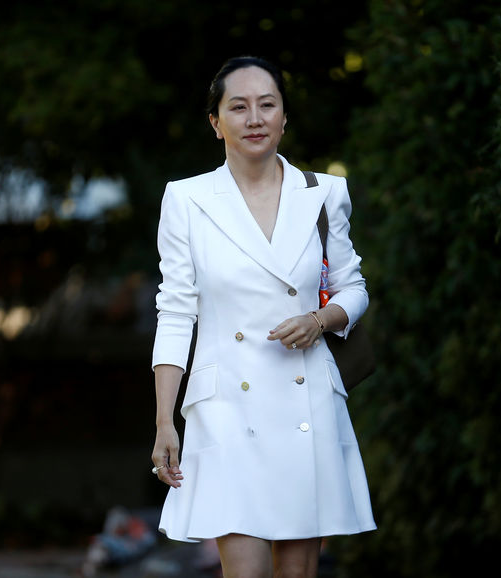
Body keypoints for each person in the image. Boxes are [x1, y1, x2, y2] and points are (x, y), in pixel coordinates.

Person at [149, 56, 376, 577]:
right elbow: (176, 310)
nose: (255, 118)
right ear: (216, 122)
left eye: (267, 105)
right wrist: (166, 417)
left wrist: (319, 320)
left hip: (306, 400)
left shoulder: (323, 193)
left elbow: (353, 288)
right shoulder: (186, 200)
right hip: (225, 403)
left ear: (283, 117)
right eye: (239, 106)